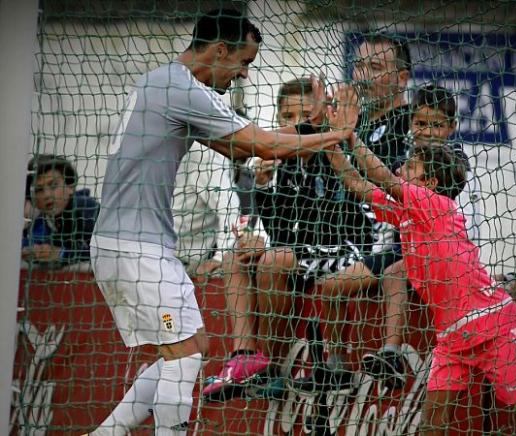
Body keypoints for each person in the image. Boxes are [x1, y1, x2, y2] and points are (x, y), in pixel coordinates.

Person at [87, 9, 354, 435]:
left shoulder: (161, 81)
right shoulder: (184, 87)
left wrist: (307, 130)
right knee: (186, 356)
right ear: (220, 50)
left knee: (192, 348)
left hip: (125, 244)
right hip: (137, 248)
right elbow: (262, 145)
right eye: (244, 63)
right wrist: (335, 135)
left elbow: (238, 150)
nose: (244, 76)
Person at [322, 85, 516, 435]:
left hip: (493, 326)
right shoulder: (406, 212)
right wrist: (331, 141)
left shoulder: (436, 206)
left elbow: (381, 176)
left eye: (410, 166)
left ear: (428, 181)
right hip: (452, 339)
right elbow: (357, 182)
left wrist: (352, 137)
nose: (402, 167)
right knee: (431, 427)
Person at [202, 77, 372, 399]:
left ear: (323, 115)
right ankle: (243, 356)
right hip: (304, 254)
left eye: (306, 115)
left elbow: (333, 224)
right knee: (234, 260)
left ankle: (273, 370)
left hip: (348, 249)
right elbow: (281, 233)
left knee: (273, 259)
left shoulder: (335, 150)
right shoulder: (281, 161)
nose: (297, 125)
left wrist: (273, 248)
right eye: (288, 118)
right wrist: (264, 188)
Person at [355, 85, 485, 388]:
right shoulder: (405, 157)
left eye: (436, 124)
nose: (427, 131)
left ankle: (391, 351)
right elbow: (384, 198)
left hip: (439, 256)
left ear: (452, 127)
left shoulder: (454, 161)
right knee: (335, 283)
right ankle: (332, 366)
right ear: (411, 122)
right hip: (404, 246)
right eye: (421, 123)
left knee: (395, 273)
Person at [306, 34, 413, 389]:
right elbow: (319, 184)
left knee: (329, 284)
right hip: (349, 246)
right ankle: (322, 366)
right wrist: (321, 128)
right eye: (359, 65)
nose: (363, 75)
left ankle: (362, 360)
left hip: (397, 249)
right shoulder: (356, 121)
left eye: (376, 67)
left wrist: (342, 135)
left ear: (402, 77)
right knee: (285, 263)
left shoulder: (413, 124)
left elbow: (390, 188)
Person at [172, 141, 241, 274]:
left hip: (181, 263)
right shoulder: (202, 151)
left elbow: (228, 206)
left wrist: (221, 256)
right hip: (169, 259)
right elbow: (228, 206)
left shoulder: (203, 151)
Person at [22, 155, 99, 268]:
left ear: (70, 187)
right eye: (39, 190)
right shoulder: (39, 222)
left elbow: (106, 255)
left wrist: (62, 253)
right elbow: (26, 243)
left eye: (53, 185)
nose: (47, 195)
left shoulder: (88, 210)